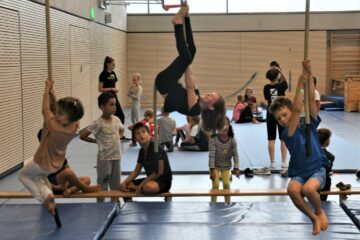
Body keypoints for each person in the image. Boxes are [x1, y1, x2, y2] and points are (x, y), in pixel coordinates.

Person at [269, 60, 329, 235]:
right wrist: (300, 83)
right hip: (300, 172)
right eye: (279, 119)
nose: (282, 120)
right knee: (292, 190)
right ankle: (314, 218)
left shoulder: (308, 123)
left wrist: (308, 76)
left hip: (316, 168)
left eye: (284, 115)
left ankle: (320, 212)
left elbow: (309, 100)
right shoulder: (287, 133)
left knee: (309, 189)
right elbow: (296, 109)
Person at [154, 5, 226, 133]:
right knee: (192, 51)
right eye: (210, 93)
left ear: (211, 107)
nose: (208, 93)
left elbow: (190, 86)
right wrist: (188, 59)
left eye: (210, 96)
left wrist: (186, 60)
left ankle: (177, 23)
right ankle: (186, 18)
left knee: (186, 56)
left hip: (164, 84)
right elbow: (191, 76)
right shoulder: (198, 99)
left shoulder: (195, 110)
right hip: (171, 82)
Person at [18, 79, 85, 215]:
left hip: (42, 162)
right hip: (55, 165)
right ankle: (48, 193)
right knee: (37, 177)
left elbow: (45, 110)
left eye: (60, 114)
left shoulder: (55, 127)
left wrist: (46, 88)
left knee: (23, 175)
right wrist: (54, 96)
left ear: (68, 118)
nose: (57, 115)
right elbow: (59, 110)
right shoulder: (74, 126)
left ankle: (44, 198)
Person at [80, 92, 124, 203]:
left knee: (116, 183)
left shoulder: (117, 120)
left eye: (115, 105)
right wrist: (96, 141)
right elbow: (83, 135)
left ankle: (115, 203)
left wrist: (118, 137)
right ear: (102, 107)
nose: (114, 107)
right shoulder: (98, 123)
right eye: (111, 105)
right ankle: (100, 204)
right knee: (103, 183)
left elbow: (121, 129)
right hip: (104, 159)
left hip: (117, 157)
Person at [37, 130, 100, 197]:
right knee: (67, 172)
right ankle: (85, 188)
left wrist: (68, 183)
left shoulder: (57, 151)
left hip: (63, 182)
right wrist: (55, 187)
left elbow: (68, 167)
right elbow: (41, 180)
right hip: (52, 186)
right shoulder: (41, 156)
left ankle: (69, 191)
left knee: (87, 179)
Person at [120, 123, 172, 196]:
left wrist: (140, 185)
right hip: (150, 179)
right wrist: (124, 182)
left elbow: (158, 172)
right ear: (135, 139)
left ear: (149, 135)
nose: (141, 135)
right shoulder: (142, 151)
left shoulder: (157, 148)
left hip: (162, 181)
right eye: (138, 133)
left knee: (148, 187)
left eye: (143, 132)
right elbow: (136, 171)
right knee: (127, 185)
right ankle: (130, 202)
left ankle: (137, 187)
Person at [209, 117, 240, 203]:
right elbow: (211, 156)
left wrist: (236, 168)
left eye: (226, 124)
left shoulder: (232, 141)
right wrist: (211, 170)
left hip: (226, 167)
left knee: (226, 184)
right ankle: (213, 203)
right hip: (215, 166)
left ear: (229, 126)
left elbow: (235, 155)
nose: (224, 127)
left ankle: (228, 203)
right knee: (215, 185)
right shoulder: (213, 140)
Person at [99, 56, 129, 141]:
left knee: (120, 115)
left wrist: (116, 88)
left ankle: (120, 135)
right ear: (107, 64)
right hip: (106, 98)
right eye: (113, 64)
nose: (114, 66)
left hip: (114, 97)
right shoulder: (103, 75)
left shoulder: (113, 73)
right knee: (111, 117)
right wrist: (111, 89)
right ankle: (112, 135)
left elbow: (115, 85)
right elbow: (100, 89)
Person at [264, 65, 289, 168]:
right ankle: (284, 161)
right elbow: (286, 80)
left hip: (270, 114)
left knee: (271, 139)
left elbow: (267, 98)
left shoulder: (266, 87)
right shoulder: (281, 86)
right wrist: (280, 71)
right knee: (283, 139)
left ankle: (272, 162)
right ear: (278, 76)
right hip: (280, 114)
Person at [317, 128, 335, 201]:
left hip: (308, 183)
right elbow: (328, 170)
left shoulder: (309, 153)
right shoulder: (330, 157)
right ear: (327, 141)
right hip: (324, 185)